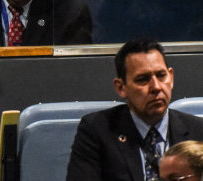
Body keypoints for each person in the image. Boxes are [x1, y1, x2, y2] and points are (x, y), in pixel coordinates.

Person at [66, 39, 203, 181]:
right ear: (121, 87)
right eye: (143, 79)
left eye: (161, 75)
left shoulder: (198, 131)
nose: (156, 87)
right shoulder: (97, 131)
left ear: (171, 77)